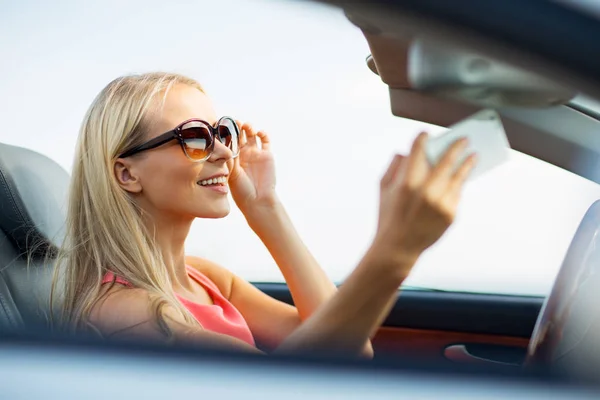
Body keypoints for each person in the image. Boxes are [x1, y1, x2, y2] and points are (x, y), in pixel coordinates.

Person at [51, 72, 476, 358]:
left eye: (222, 132)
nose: (222, 152)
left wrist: (265, 207)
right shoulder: (126, 311)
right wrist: (395, 250)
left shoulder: (205, 278)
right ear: (126, 173)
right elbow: (289, 386)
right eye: (195, 138)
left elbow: (352, 346)